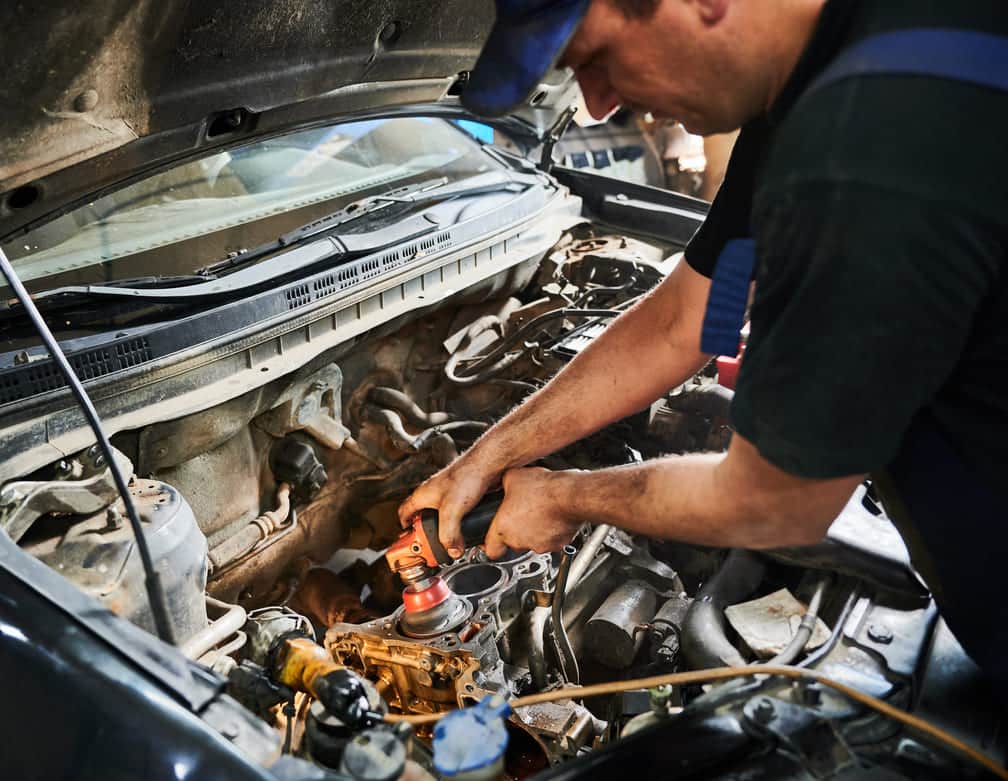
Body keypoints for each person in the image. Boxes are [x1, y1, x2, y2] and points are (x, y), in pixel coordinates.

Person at [400, 0, 1008, 687]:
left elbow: (775, 502)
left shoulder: (865, 144)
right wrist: (490, 456)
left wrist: (563, 496)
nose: (596, 107)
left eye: (596, 58)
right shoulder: (814, 89)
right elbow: (690, 322)